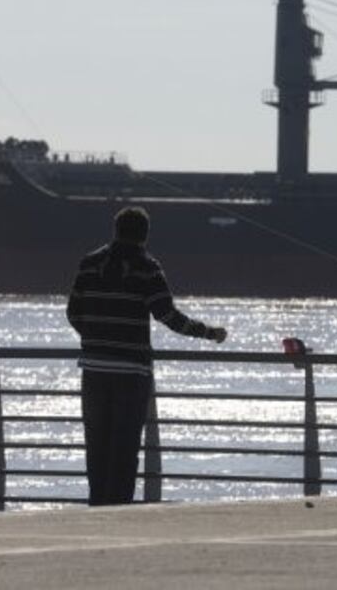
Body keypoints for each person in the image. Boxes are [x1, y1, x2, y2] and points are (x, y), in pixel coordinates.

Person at [66, 206, 227, 506]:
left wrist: (95, 340)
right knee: (124, 448)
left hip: (94, 370)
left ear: (115, 230)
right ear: (145, 235)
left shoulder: (89, 263)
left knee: (97, 445)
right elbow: (168, 315)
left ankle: (95, 508)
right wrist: (209, 332)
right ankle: (117, 512)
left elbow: (73, 312)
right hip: (132, 372)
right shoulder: (147, 267)